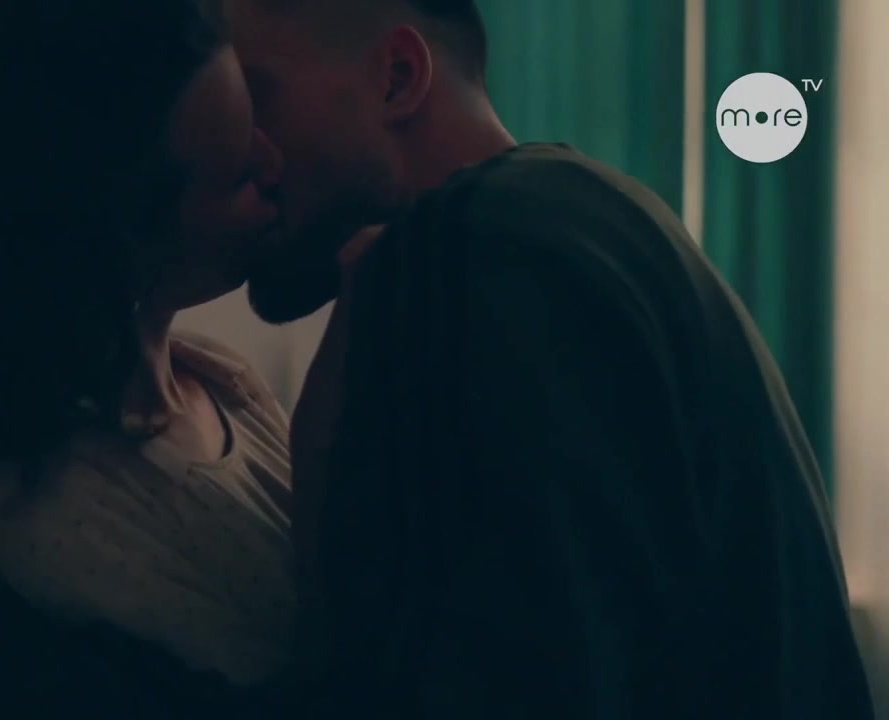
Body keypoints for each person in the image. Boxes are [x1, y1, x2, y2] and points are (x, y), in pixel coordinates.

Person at [225, 0, 877, 717]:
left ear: (399, 77)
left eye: (256, 96)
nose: (236, 148)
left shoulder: (479, 246)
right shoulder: (588, 218)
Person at [0, 0, 298, 716]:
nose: (277, 165)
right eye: (237, 172)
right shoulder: (66, 514)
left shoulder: (216, 378)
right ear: (117, 245)